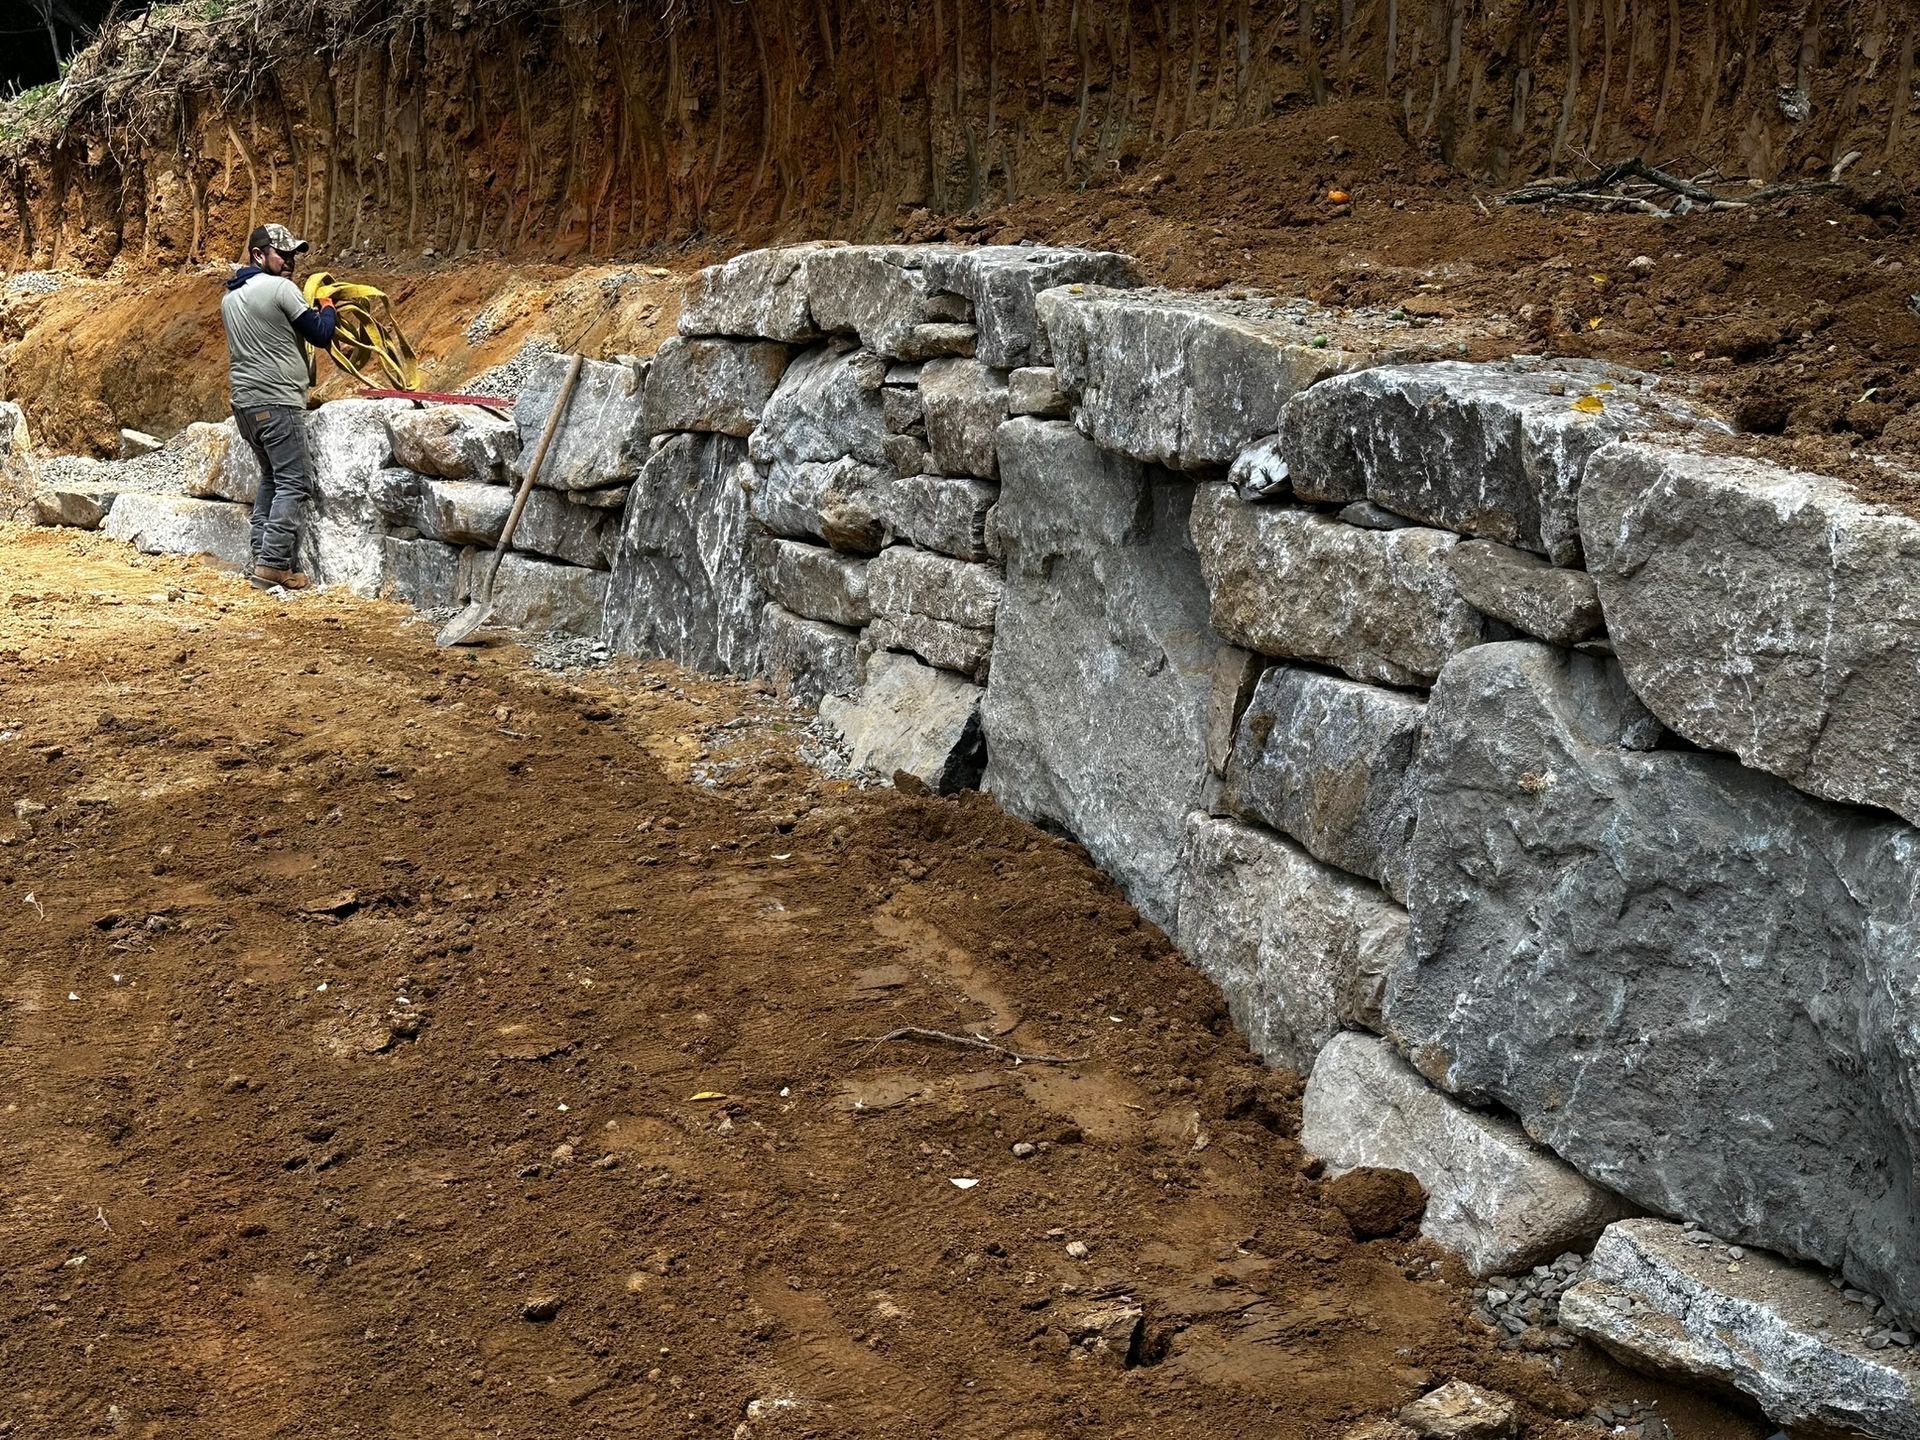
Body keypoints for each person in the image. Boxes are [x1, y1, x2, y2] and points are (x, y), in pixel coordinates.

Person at [221, 223, 338, 590]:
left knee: (272, 477)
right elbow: (320, 334)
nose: (289, 262)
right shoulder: (281, 290)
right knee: (295, 481)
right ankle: (273, 564)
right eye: (281, 254)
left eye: (292, 256)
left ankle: (259, 558)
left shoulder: (230, 298)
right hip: (279, 402)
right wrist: (328, 305)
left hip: (245, 406)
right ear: (259, 255)